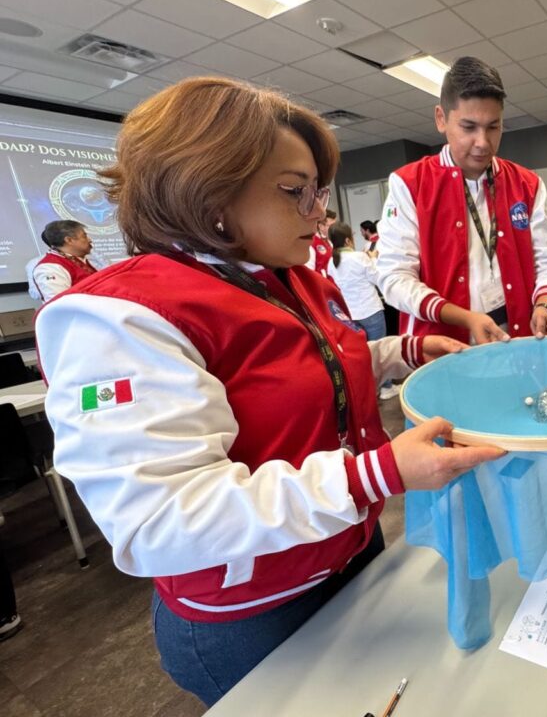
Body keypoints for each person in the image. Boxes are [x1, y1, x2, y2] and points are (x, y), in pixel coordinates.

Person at [34, 76, 504, 706]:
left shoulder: (288, 276)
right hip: (255, 610)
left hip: (348, 549)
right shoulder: (121, 318)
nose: (319, 213)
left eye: (318, 192)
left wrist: (405, 351)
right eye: (294, 191)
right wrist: (373, 475)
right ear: (208, 190)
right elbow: (157, 521)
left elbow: (313, 367)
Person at [376, 57, 547, 344]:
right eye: (469, 127)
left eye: (493, 127)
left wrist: (544, 304)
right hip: (444, 344)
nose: (483, 142)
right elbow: (394, 278)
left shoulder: (527, 185)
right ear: (441, 118)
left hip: (516, 339)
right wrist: (463, 317)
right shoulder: (410, 184)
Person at [326, 221, 398, 400]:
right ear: (348, 240)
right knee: (380, 350)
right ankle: (386, 387)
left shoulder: (331, 262)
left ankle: (370, 389)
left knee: (363, 353)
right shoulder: (359, 257)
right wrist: (373, 258)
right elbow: (376, 278)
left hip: (350, 314)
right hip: (370, 309)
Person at [29, 220, 97, 302]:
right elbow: (59, 303)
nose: (89, 240)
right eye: (84, 236)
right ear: (69, 240)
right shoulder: (49, 267)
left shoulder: (81, 259)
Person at [306, 207, 337, 277]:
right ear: (321, 226)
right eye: (332, 226)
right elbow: (309, 272)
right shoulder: (312, 243)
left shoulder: (330, 241)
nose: (335, 228)